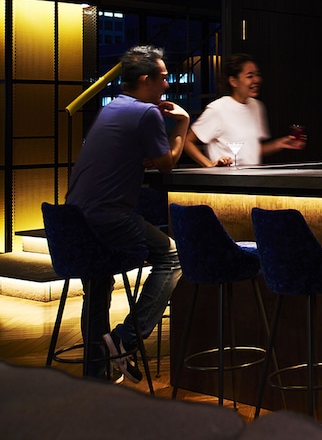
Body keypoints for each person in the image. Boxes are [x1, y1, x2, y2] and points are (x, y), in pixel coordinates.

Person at [65, 44, 188, 381]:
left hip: (74, 220)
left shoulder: (112, 108)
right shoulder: (146, 113)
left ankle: (97, 372)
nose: (167, 84)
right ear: (146, 80)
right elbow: (166, 164)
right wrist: (183, 123)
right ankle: (124, 339)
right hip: (109, 217)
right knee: (173, 256)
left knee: (98, 284)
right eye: (164, 78)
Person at [184, 54, 305, 168]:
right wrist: (210, 166)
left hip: (253, 180)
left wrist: (280, 143)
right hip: (227, 181)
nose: (256, 80)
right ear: (233, 81)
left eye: (257, 74)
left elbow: (252, 150)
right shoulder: (217, 109)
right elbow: (187, 142)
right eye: (250, 76)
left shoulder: (257, 106)